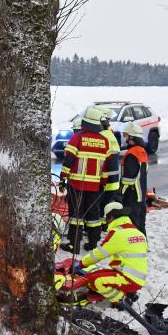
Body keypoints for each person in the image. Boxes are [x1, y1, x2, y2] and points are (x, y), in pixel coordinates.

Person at [59, 105, 113, 253]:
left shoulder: (77, 138)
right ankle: (93, 243)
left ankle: (73, 245)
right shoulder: (105, 141)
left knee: (76, 215)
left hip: (77, 185)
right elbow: (105, 168)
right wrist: (102, 184)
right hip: (95, 187)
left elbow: (68, 160)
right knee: (93, 216)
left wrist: (63, 178)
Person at [71, 202, 148, 303]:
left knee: (94, 280)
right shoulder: (138, 232)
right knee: (90, 276)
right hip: (136, 277)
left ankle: (122, 300)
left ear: (111, 217)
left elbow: (99, 254)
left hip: (129, 279)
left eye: (106, 218)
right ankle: (129, 292)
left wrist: (81, 264)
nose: (106, 221)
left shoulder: (118, 233)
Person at [96, 106, 121, 232]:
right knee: (106, 203)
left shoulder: (101, 136)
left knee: (100, 204)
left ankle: (101, 226)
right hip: (114, 178)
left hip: (104, 179)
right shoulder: (110, 135)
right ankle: (104, 225)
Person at [120, 122, 148, 235]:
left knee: (133, 224)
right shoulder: (141, 151)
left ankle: (135, 247)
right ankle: (143, 244)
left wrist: (120, 193)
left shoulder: (132, 153)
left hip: (132, 194)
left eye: (126, 136)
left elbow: (128, 178)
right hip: (141, 194)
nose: (124, 138)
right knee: (140, 223)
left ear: (131, 137)